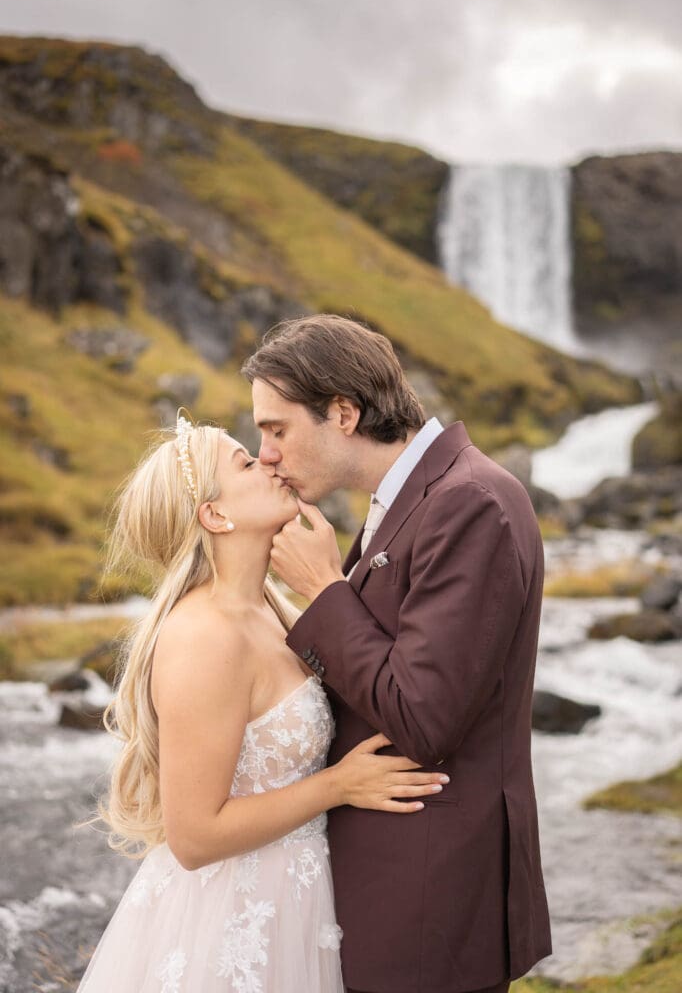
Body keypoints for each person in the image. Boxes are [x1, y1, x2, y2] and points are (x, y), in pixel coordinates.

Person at [77, 416, 446, 993]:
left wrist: (331, 588)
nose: (269, 460)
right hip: (228, 921)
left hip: (297, 902)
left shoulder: (274, 609)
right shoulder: (204, 636)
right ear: (215, 516)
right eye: (246, 462)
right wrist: (339, 786)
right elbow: (194, 837)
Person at [242, 314, 553, 993]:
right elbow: (379, 657)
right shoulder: (414, 498)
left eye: (277, 429)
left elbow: (423, 719)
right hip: (396, 890)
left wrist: (324, 588)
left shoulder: (471, 503)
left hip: (430, 901)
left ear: (344, 413)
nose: (266, 453)